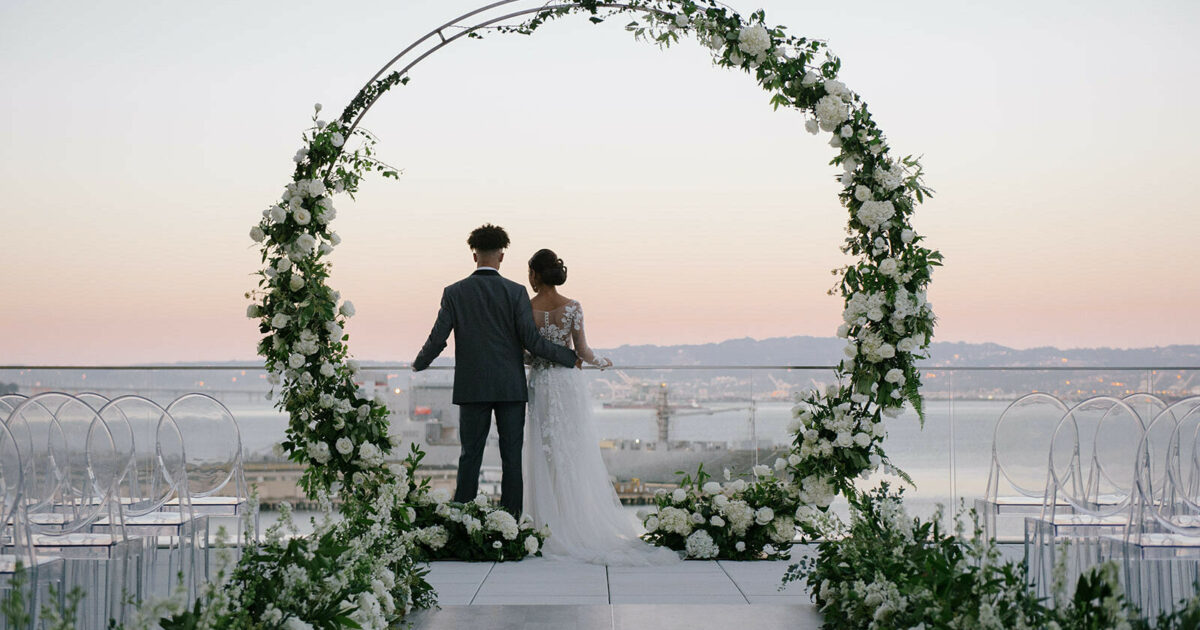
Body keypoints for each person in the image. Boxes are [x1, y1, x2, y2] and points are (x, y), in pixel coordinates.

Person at [523, 249, 680, 566]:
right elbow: (581, 349)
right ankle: (575, 520)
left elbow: (525, 354)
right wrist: (601, 362)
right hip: (567, 384)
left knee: (543, 452)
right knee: (573, 451)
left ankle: (544, 523)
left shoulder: (525, 308)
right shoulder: (573, 307)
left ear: (535, 275)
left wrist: (537, 361)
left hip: (540, 384)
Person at [412, 225, 579, 516]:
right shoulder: (516, 292)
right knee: (511, 457)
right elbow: (532, 341)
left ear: (473, 254)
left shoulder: (454, 292)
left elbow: (438, 338)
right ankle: (510, 524)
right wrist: (568, 356)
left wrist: (419, 363)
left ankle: (462, 522)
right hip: (510, 387)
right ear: (502, 255)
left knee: (469, 456)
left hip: (472, 386)